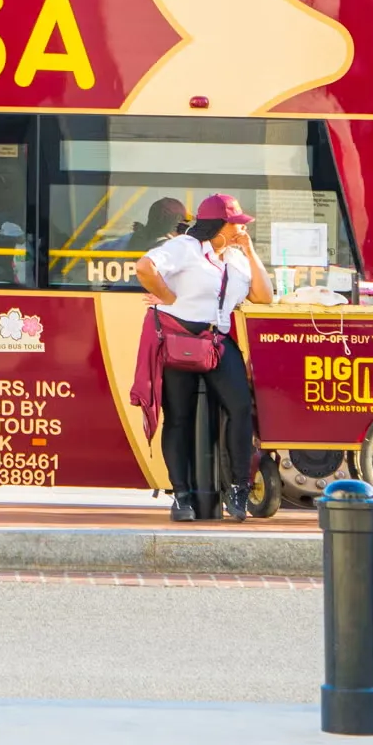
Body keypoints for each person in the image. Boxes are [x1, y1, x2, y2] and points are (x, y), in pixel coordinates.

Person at [134, 192, 275, 522]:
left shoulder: (237, 259)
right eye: (236, 224)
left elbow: (264, 297)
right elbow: (145, 267)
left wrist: (250, 250)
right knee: (178, 417)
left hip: (216, 339)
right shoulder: (185, 247)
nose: (241, 230)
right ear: (220, 226)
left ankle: (239, 489)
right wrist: (169, 297)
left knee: (240, 408)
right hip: (178, 338)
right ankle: (181, 496)